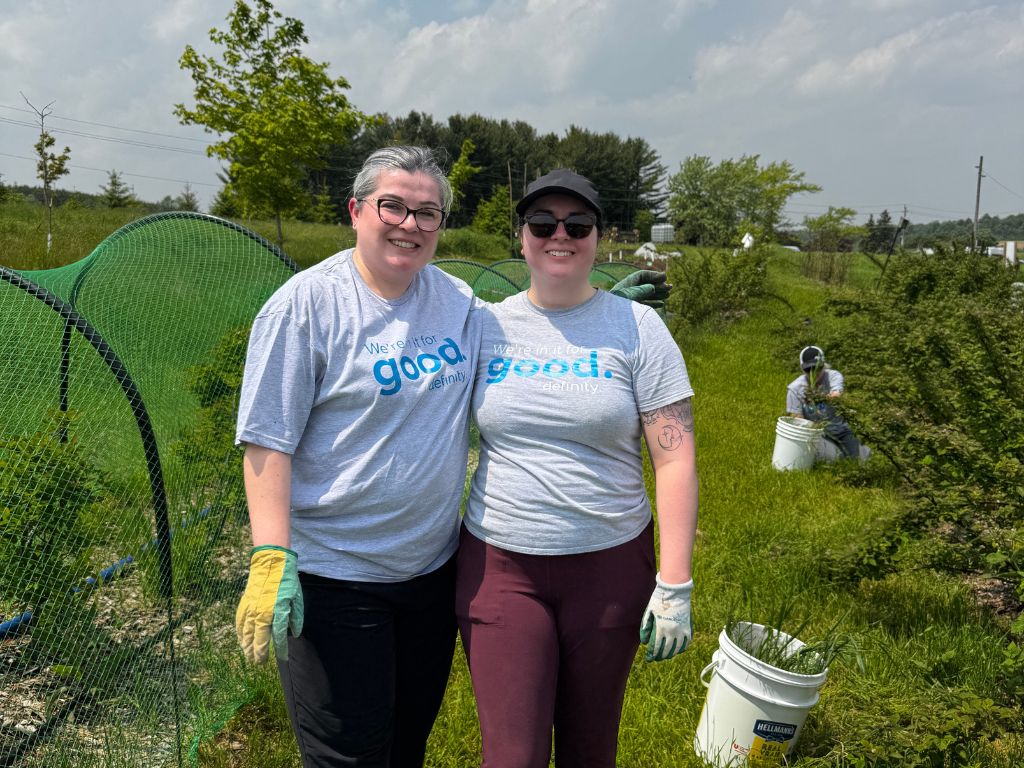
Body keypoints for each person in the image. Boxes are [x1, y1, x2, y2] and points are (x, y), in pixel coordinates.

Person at [233, 147, 671, 767]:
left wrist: (596, 304)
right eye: (393, 207)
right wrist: (272, 555)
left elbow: (531, 339)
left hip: (431, 571)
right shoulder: (307, 306)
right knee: (350, 753)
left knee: (410, 738)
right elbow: (267, 438)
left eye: (427, 213)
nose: (409, 225)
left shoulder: (456, 303)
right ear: (356, 210)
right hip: (339, 575)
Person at [455, 169, 699, 768]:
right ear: (522, 238)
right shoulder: (485, 326)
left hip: (610, 565)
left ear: (598, 236)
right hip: (500, 563)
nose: (558, 235)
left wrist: (676, 583)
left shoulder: (639, 328)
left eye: (577, 224)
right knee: (512, 755)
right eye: (542, 224)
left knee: (592, 748)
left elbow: (674, 457)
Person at [786, 344, 863, 458]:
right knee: (835, 457)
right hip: (818, 434)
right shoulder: (795, 388)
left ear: (824, 365)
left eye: (818, 368)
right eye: (809, 369)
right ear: (802, 368)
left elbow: (836, 396)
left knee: (863, 457)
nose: (814, 373)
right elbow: (798, 419)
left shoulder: (834, 376)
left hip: (841, 429)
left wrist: (817, 397)